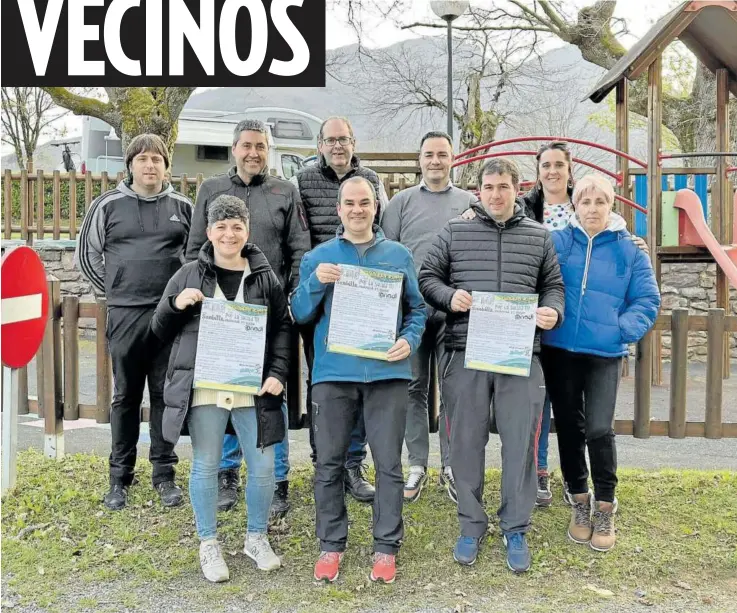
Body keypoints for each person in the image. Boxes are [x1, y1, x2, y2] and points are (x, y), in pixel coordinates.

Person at [463, 140, 649, 508]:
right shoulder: (542, 221)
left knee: (590, 422)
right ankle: (550, 475)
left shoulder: (618, 237)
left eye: (558, 165)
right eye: (545, 165)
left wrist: (619, 327)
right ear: (538, 171)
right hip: (541, 329)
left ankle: (592, 492)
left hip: (589, 338)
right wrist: (472, 212)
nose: (552, 171)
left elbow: (643, 294)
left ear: (569, 169)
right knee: (543, 406)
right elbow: (498, 210)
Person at [419, 158, 565, 573]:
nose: (496, 194)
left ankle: (515, 526)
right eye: (489, 186)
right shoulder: (455, 230)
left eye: (504, 186)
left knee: (520, 442)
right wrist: (450, 297)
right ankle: (471, 523)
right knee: (466, 441)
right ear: (478, 191)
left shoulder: (539, 237)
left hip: (521, 354)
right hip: (467, 351)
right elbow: (428, 275)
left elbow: (553, 286)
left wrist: (552, 311)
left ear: (516, 190)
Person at [290, 176, 426, 584]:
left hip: (387, 374)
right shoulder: (319, 257)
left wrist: (409, 338)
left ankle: (386, 548)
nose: (357, 210)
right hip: (335, 375)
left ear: (375, 207)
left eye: (364, 202)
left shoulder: (398, 255)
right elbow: (297, 313)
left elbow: (417, 310)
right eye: (349, 203)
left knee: (389, 465)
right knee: (329, 462)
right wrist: (316, 283)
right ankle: (331, 544)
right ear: (339, 209)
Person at [151, 195, 291, 582]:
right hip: (207, 386)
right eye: (221, 227)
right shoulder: (187, 275)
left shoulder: (263, 276)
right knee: (207, 464)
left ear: (247, 230)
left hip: (253, 388)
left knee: (262, 467)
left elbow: (282, 327)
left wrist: (278, 371)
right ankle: (208, 543)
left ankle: (256, 537)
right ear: (209, 232)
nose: (229, 234)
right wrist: (176, 304)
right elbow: (158, 331)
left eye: (237, 226)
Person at [185, 119, 310, 518]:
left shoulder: (285, 192)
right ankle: (226, 473)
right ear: (233, 148)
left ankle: (277, 481)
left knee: (273, 393)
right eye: (246, 145)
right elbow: (193, 250)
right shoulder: (210, 190)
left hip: (270, 312)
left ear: (268, 150)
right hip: (224, 313)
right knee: (225, 391)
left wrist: (289, 296)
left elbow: (300, 251)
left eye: (261, 145)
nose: (253, 152)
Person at [541, 175, 660, 552]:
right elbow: (537, 278)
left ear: (612, 206)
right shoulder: (557, 242)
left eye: (600, 202)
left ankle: (605, 502)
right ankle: (579, 498)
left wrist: (619, 329)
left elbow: (647, 299)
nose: (592, 208)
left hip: (604, 353)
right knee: (571, 428)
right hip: (559, 348)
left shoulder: (629, 250)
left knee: (597, 427)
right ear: (574, 205)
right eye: (586, 201)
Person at [75, 133, 193, 511]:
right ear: (129, 165)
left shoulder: (182, 206)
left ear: (166, 165)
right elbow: (87, 255)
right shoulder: (106, 206)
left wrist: (180, 301)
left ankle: (164, 474)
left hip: (168, 315)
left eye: (157, 159)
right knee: (125, 396)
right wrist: (114, 292)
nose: (149, 165)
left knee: (163, 394)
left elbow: (193, 257)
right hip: (125, 313)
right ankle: (119, 477)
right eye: (142, 159)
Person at [292, 116, 389, 504]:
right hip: (322, 292)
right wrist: (310, 280)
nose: (337, 146)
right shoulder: (303, 181)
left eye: (344, 139)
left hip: (363, 296)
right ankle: (325, 460)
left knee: (362, 380)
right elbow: (299, 237)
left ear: (353, 142)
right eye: (330, 140)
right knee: (323, 384)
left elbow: (382, 231)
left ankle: (353, 462)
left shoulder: (371, 179)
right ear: (320, 145)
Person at [381, 130, 477, 504]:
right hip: (412, 313)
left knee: (454, 391)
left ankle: (451, 465)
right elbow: (386, 255)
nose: (435, 160)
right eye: (429, 155)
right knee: (413, 388)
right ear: (419, 160)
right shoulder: (401, 204)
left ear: (452, 158)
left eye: (442, 154)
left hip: (454, 311)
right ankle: (417, 463)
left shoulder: (470, 202)